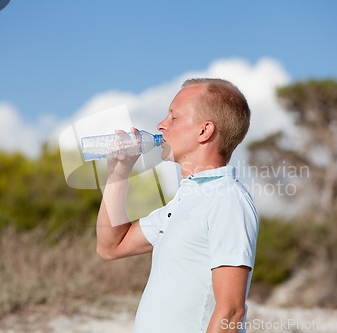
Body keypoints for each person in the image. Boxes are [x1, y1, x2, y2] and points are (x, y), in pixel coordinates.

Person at [96, 78, 259, 333]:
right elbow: (111, 246)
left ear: (204, 131)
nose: (161, 125)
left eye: (173, 117)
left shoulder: (226, 199)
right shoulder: (186, 200)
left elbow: (231, 311)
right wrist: (118, 175)